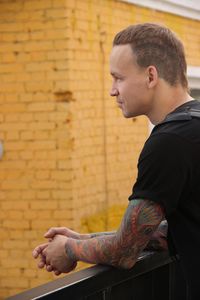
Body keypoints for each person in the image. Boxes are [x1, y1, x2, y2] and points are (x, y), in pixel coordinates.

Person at [33, 23, 200, 299]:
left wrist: (68, 250)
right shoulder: (193, 125)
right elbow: (168, 230)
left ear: (150, 76)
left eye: (118, 78)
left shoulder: (169, 142)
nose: (112, 91)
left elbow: (125, 252)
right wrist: (83, 239)